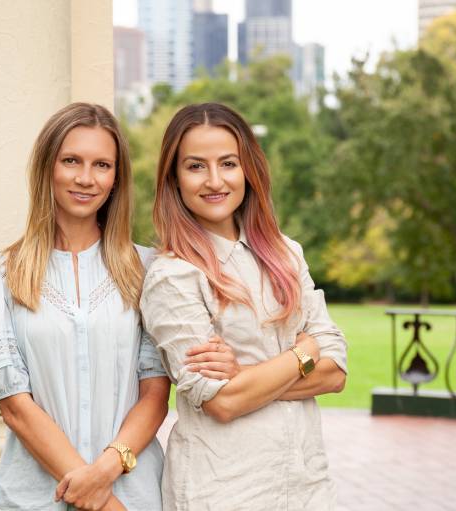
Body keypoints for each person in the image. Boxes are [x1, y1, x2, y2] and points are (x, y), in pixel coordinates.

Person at [0, 103, 177, 510]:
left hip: (133, 493)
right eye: (71, 161)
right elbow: (15, 407)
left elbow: (154, 394)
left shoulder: (148, 270)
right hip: (36, 499)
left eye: (102, 165)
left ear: (116, 178)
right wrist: (100, 499)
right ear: (48, 168)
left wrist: (105, 474)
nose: (86, 178)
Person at [140, 102, 349, 510]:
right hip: (223, 489)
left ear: (248, 169)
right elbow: (222, 402)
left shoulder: (287, 254)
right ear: (174, 178)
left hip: (306, 486)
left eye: (228, 163)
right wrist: (303, 353)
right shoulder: (173, 276)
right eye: (196, 166)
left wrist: (246, 376)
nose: (214, 180)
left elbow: (336, 371)